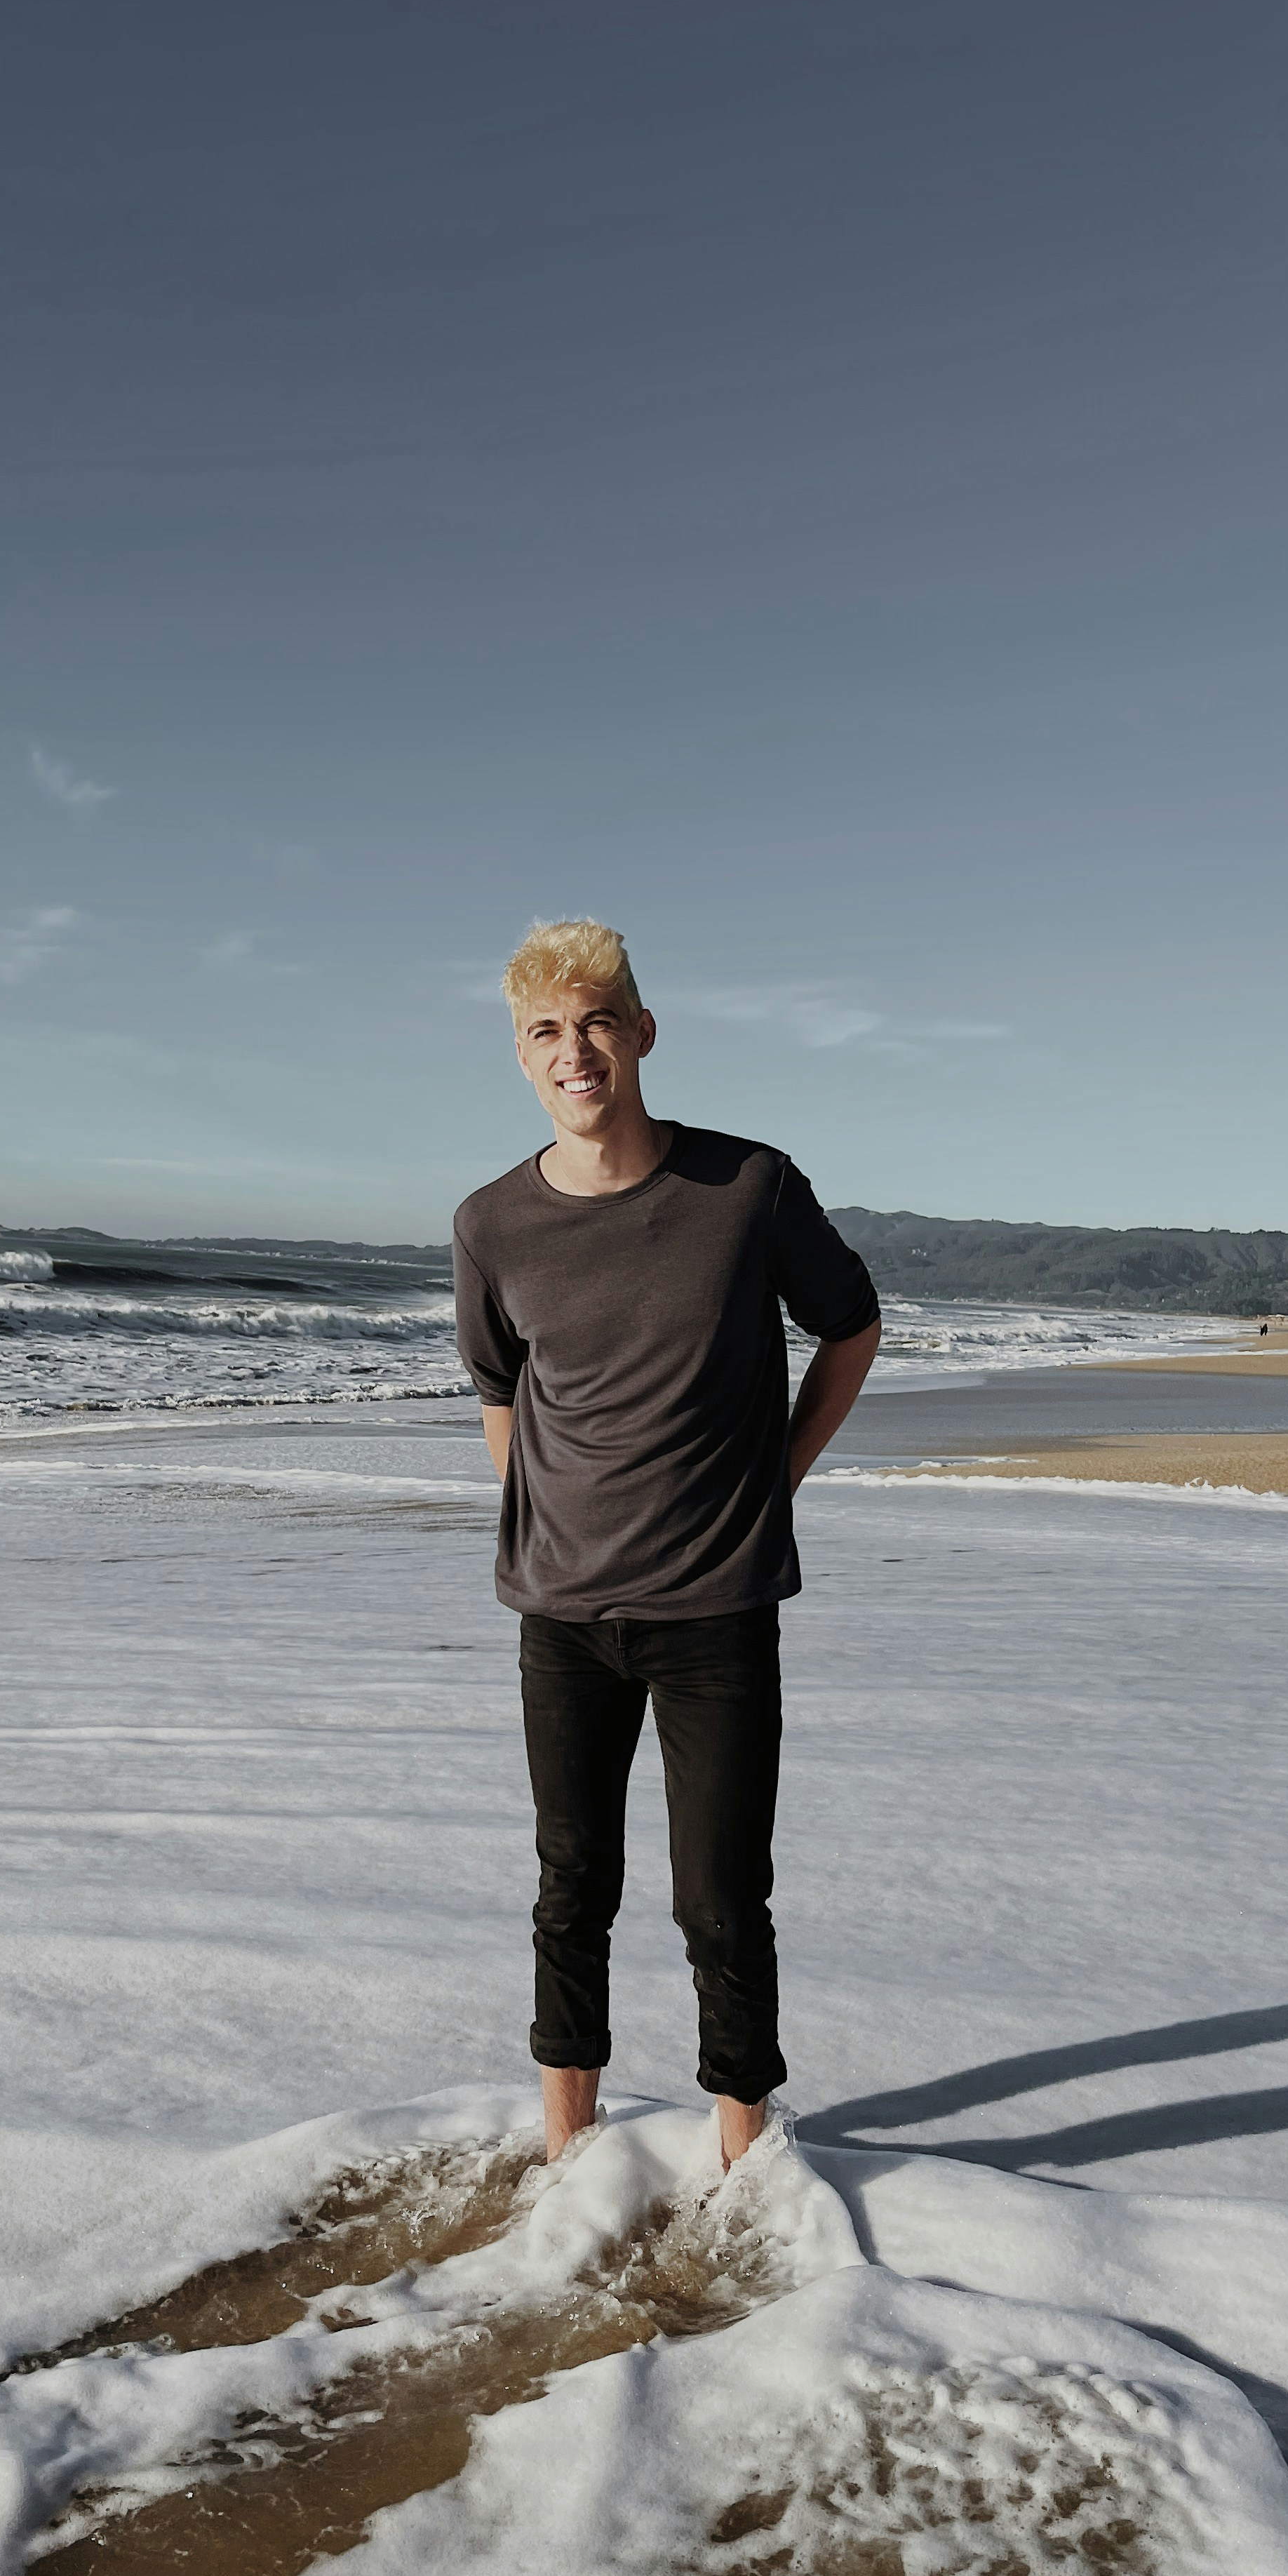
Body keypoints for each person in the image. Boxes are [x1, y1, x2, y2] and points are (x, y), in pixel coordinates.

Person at [452, 920, 882, 2169]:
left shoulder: (746, 1188)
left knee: (720, 1902)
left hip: (717, 1610)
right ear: (522, 1057)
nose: (573, 1051)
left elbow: (850, 1326)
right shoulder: (492, 1223)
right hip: (563, 1618)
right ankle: (566, 2159)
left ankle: (744, 2157)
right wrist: (549, 1521)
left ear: (642, 1033)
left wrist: (775, 1477)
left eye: (595, 1023)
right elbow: (499, 1393)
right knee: (570, 1890)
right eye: (545, 1032)